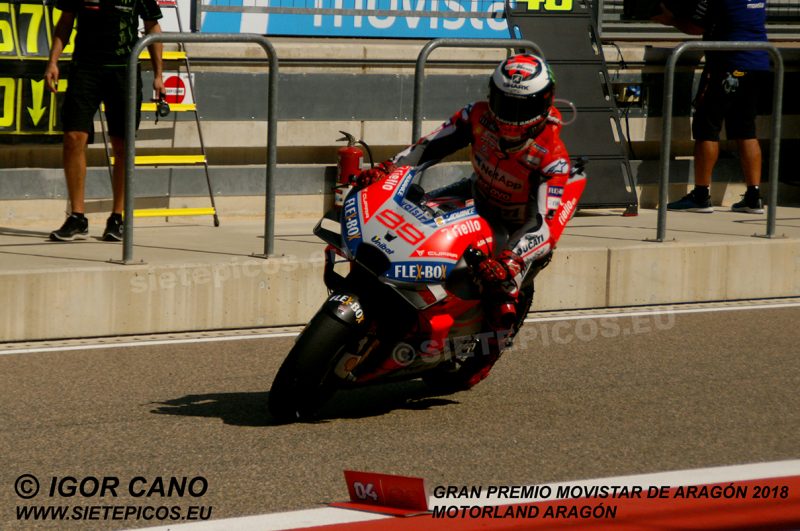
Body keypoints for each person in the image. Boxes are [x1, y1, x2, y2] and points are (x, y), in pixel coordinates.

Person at [354, 53, 571, 384]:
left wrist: (510, 260)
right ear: (491, 94)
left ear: (544, 103)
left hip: (518, 228)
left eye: (522, 108)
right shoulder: (476, 116)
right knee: (409, 214)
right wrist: (387, 169)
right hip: (477, 195)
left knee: (501, 291)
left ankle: (479, 363)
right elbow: (425, 150)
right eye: (504, 102)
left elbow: (545, 225)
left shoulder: (553, 157)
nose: (511, 117)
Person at [45, 0, 165, 241]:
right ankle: (77, 217)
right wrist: (53, 62)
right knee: (73, 137)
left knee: (122, 145)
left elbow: (152, 27)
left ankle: (117, 218)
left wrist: (159, 75)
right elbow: (65, 23)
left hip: (124, 71)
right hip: (85, 69)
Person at [653, 0, 769, 214]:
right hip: (758, 62)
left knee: (707, 126)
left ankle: (700, 195)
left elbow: (696, 27)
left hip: (727, 64)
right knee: (745, 130)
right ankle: (754, 196)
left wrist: (669, 19)